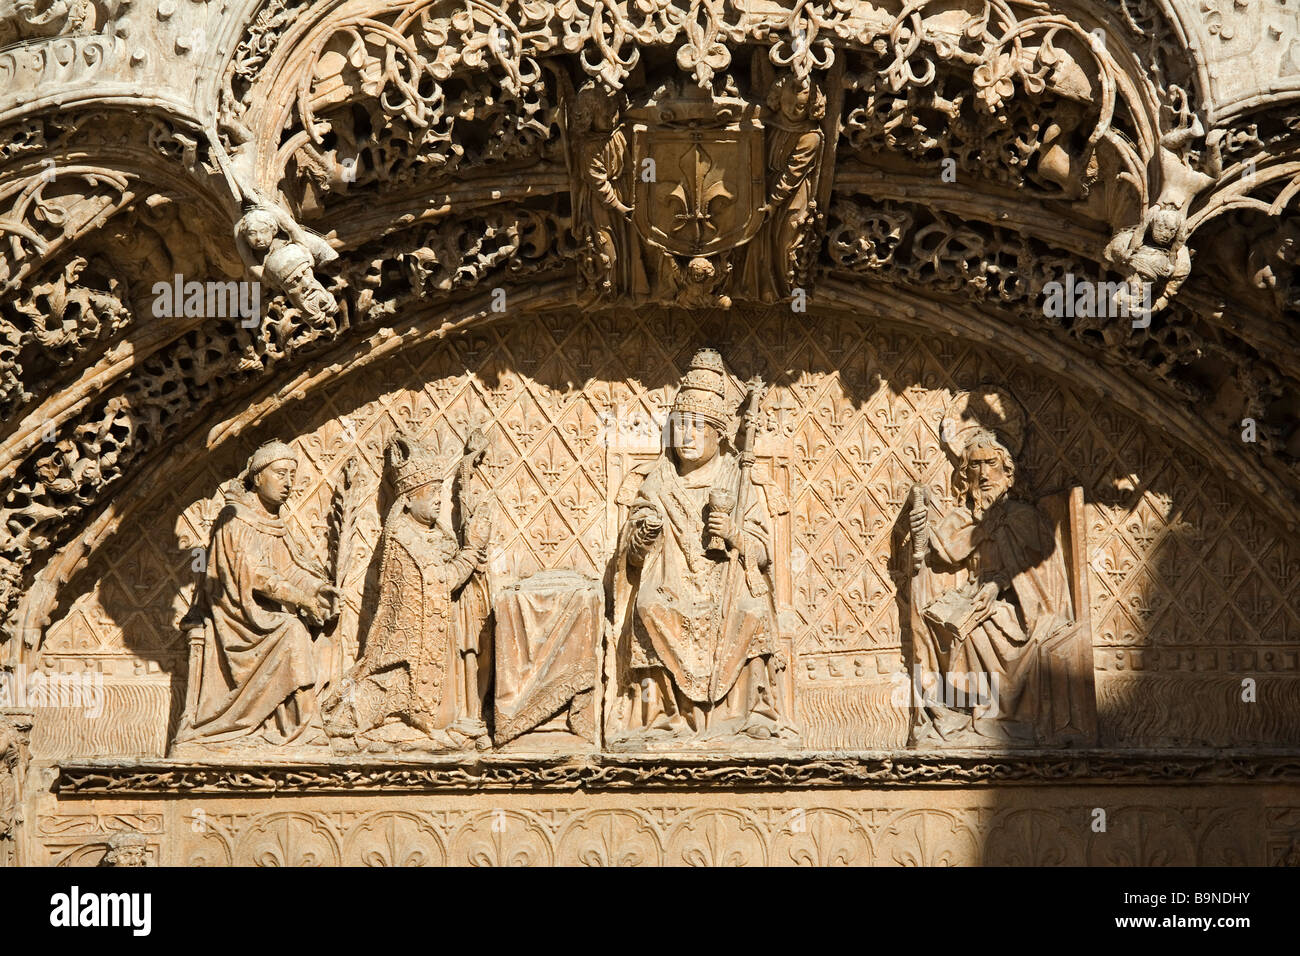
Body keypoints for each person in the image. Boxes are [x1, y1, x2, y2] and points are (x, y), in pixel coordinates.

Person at [613, 348, 794, 743]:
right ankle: (662, 718)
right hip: (672, 584)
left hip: (727, 584)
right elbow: (630, 550)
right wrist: (642, 537)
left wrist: (733, 533)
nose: (686, 437)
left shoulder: (739, 478)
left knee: (752, 610)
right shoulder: (657, 481)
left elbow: (763, 551)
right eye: (680, 427)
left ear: (719, 432)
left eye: (698, 427)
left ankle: (751, 714)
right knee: (649, 607)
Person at [323, 433, 490, 751]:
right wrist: (471, 550)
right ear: (409, 499)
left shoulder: (433, 534)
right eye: (431, 492)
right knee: (383, 694)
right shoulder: (402, 536)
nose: (439, 499)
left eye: (441, 490)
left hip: (436, 640)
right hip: (406, 649)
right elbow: (441, 580)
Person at [909, 428, 1073, 742]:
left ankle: (995, 713)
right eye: (974, 466)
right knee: (951, 623)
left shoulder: (1024, 518)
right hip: (973, 601)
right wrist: (917, 537)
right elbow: (930, 560)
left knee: (984, 625)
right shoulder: (959, 520)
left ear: (1008, 474)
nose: (984, 474)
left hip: (1022, 610)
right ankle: (962, 709)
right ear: (964, 476)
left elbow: (1044, 578)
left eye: (990, 464)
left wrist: (998, 586)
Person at [176, 441, 338, 748]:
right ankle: (305, 724)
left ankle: (301, 723)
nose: (288, 483)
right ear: (258, 477)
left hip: (261, 616)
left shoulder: (275, 521)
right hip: (236, 617)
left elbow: (289, 568)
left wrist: (318, 589)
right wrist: (301, 599)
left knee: (308, 629)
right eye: (280, 474)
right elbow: (256, 574)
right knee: (293, 630)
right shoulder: (234, 518)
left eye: (293, 475)